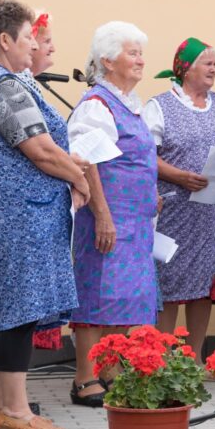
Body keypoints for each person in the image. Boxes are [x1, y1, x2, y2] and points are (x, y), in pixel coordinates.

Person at [0, 0, 88, 429]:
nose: (34, 45)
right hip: (20, 215)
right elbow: (40, 149)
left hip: (8, 213)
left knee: (5, 311)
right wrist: (80, 178)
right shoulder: (3, 85)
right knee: (20, 310)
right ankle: (16, 410)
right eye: (28, 37)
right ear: (5, 40)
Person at [69, 21, 159, 407]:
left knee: (124, 297)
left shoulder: (129, 103)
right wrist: (103, 215)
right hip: (108, 216)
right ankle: (84, 377)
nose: (141, 60)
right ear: (107, 61)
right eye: (132, 53)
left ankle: (110, 371)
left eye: (141, 53)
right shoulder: (97, 104)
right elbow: (86, 161)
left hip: (135, 221)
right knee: (97, 293)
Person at [143, 38, 215, 362]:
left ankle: (194, 358)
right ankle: (160, 359)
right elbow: (145, 155)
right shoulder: (159, 106)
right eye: (207, 63)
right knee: (170, 282)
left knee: (205, 283)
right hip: (176, 210)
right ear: (186, 69)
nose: (214, 69)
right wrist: (179, 176)